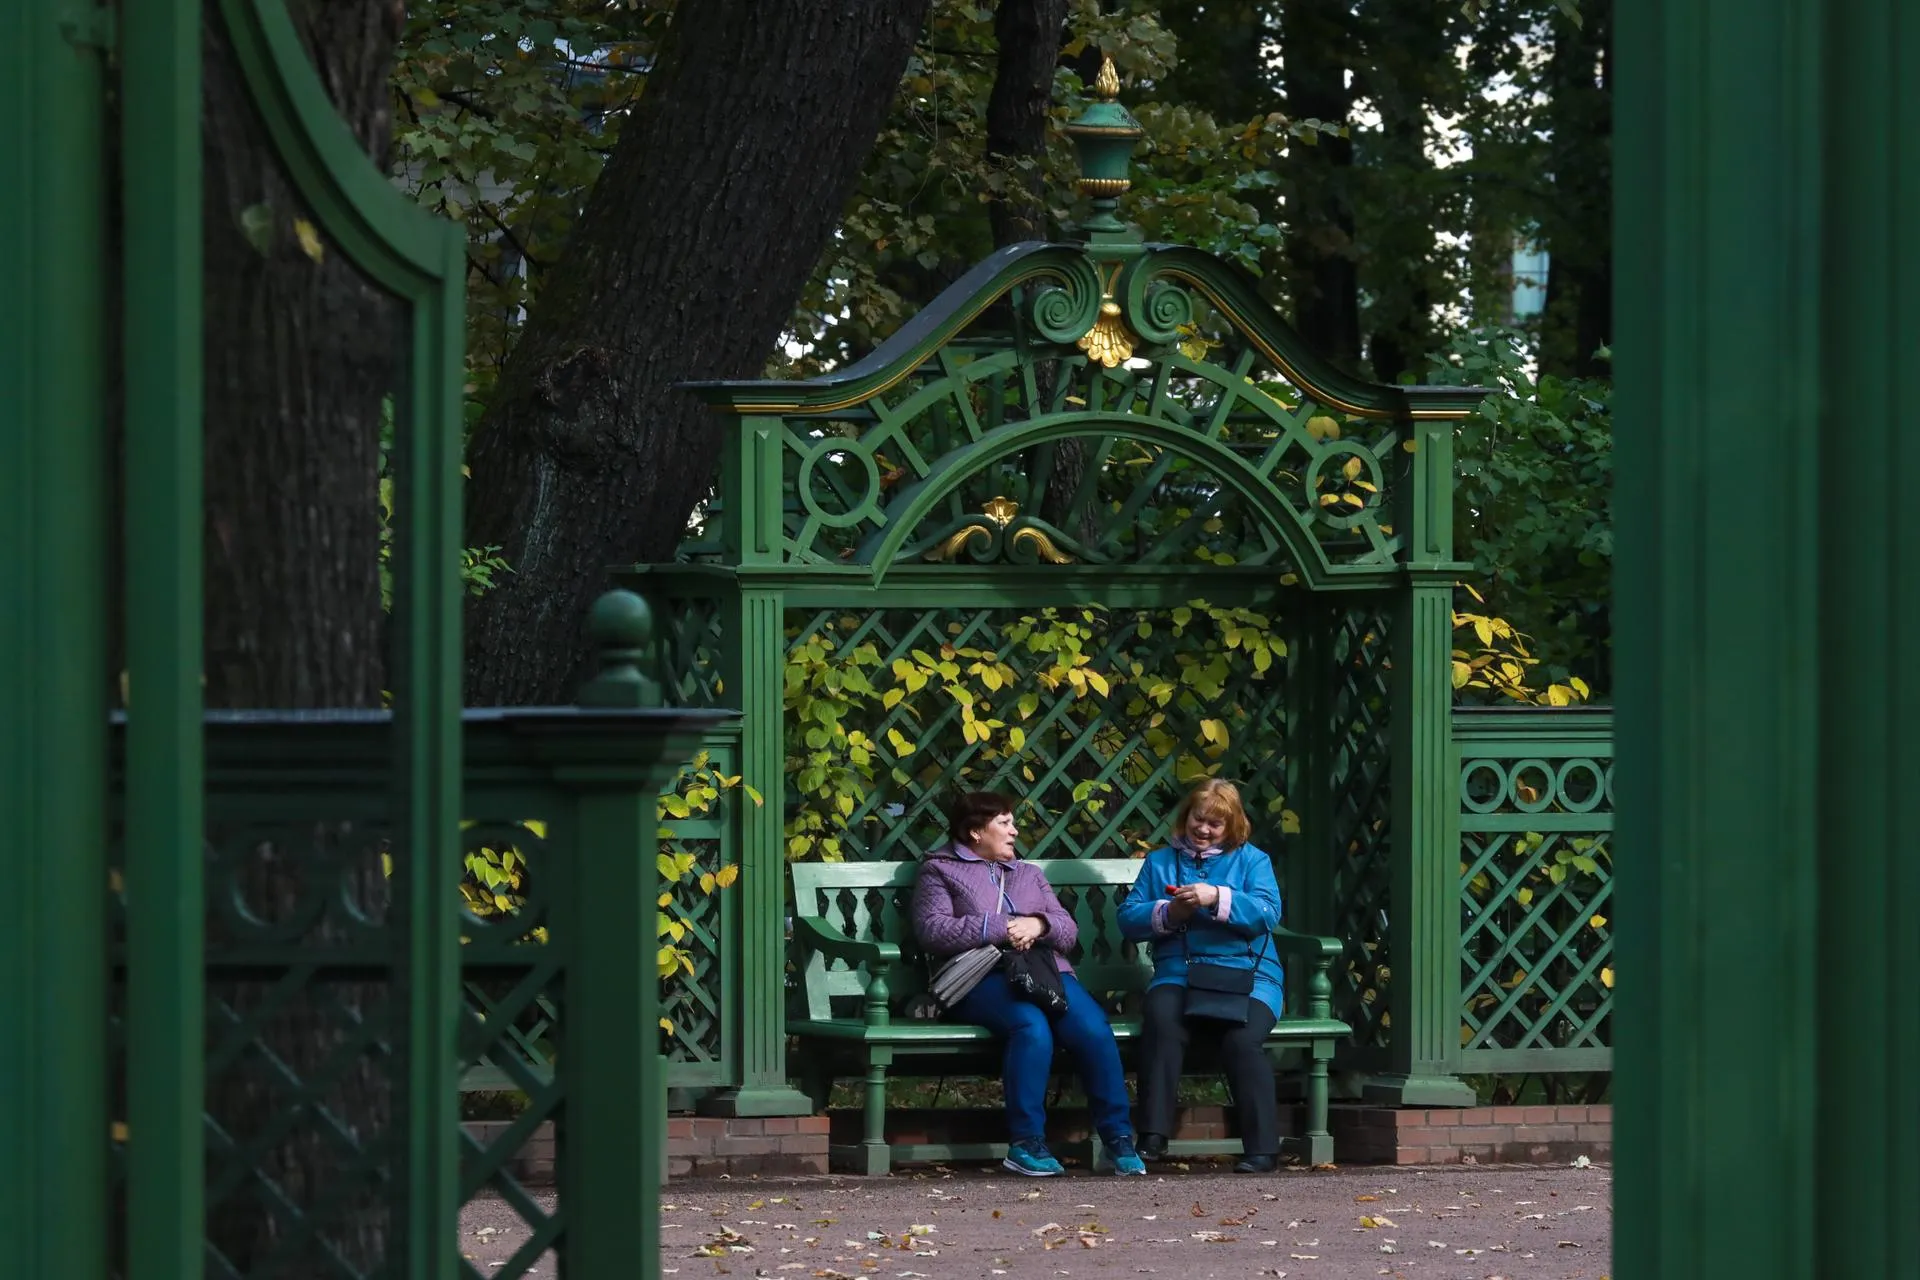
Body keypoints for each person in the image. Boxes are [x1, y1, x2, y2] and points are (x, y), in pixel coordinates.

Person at [911, 790, 1147, 1177]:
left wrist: (1039, 924)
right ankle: (1026, 1143)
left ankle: (1117, 1139)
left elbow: (1068, 931)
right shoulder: (940, 870)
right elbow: (932, 930)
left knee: (1092, 1029)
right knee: (1031, 1028)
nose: (1014, 830)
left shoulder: (1028, 874)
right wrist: (999, 927)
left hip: (1044, 972)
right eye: (1004, 823)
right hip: (981, 978)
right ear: (974, 832)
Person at [1117, 778, 1286, 1173]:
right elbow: (1128, 918)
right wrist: (1169, 913)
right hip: (1180, 972)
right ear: (1186, 816)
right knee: (1162, 1019)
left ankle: (1262, 1149)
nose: (1204, 829)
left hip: (1249, 974)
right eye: (1199, 818)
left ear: (1232, 826)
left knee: (1241, 1040)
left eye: (1216, 823)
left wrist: (1216, 898)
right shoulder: (1159, 862)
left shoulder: (1252, 860)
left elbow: (1267, 913)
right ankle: (1153, 1136)